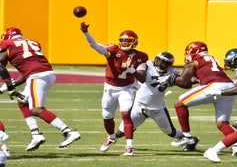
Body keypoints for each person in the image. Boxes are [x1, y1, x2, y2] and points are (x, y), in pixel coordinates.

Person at [0, 27, 81, 152]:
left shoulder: (7, 44)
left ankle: (68, 132)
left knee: (37, 109)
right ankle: (36, 134)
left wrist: (9, 86)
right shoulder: (33, 42)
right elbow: (27, 72)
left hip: (37, 76)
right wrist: (8, 86)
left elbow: (1, 67)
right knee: (23, 102)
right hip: (47, 74)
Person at [80, 22, 148, 156]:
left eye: (127, 41)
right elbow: (95, 46)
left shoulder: (141, 56)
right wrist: (86, 33)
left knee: (126, 115)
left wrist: (131, 68)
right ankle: (111, 137)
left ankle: (129, 146)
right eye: (122, 40)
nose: (124, 43)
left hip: (127, 88)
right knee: (107, 116)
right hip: (110, 88)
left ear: (134, 42)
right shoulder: (113, 50)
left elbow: (142, 78)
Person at [155, 41, 236, 151]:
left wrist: (172, 80)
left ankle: (187, 137)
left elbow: (184, 81)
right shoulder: (210, 58)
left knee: (179, 103)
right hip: (229, 86)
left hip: (214, 86)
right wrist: (176, 80)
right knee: (222, 123)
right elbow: (193, 80)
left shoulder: (195, 58)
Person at [115, 52, 199, 151]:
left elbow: (185, 84)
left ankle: (192, 140)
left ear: (168, 65)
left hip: (157, 109)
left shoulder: (172, 72)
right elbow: (141, 78)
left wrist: (195, 80)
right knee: (122, 131)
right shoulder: (146, 65)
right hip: (139, 106)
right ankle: (111, 138)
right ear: (155, 59)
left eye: (164, 63)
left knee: (170, 132)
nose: (160, 64)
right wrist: (132, 69)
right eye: (159, 61)